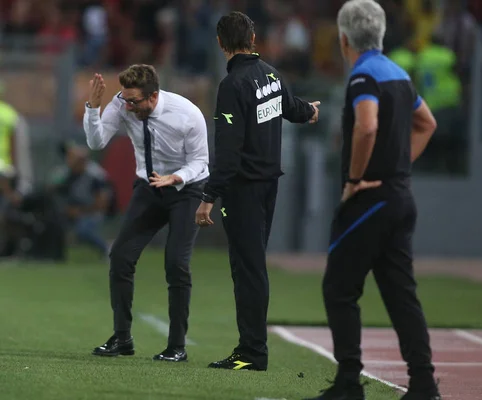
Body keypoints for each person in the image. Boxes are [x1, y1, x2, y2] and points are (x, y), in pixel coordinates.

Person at [303, 1, 441, 399]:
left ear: (344, 39)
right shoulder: (398, 72)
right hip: (400, 197)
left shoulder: (363, 76)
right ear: (380, 35)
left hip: (370, 200)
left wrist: (354, 179)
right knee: (402, 295)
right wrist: (399, 164)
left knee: (339, 289)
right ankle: (423, 384)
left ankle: (348, 382)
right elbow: (426, 123)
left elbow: (366, 127)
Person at [194, 11, 320, 371]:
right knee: (253, 267)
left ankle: (252, 352)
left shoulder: (232, 86)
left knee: (248, 270)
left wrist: (208, 196)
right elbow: (289, 107)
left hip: (244, 189)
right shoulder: (270, 74)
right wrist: (308, 112)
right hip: (268, 186)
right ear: (252, 39)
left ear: (220, 43)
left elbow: (229, 151)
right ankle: (252, 348)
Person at [84, 64, 209, 362]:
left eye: (134, 102)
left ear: (153, 97)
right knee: (121, 257)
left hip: (185, 189)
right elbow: (96, 142)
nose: (126, 106)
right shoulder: (122, 102)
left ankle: (177, 346)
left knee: (176, 264)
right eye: (125, 100)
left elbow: (202, 162)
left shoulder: (187, 114)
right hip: (149, 187)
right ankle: (122, 338)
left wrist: (175, 177)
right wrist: (93, 108)